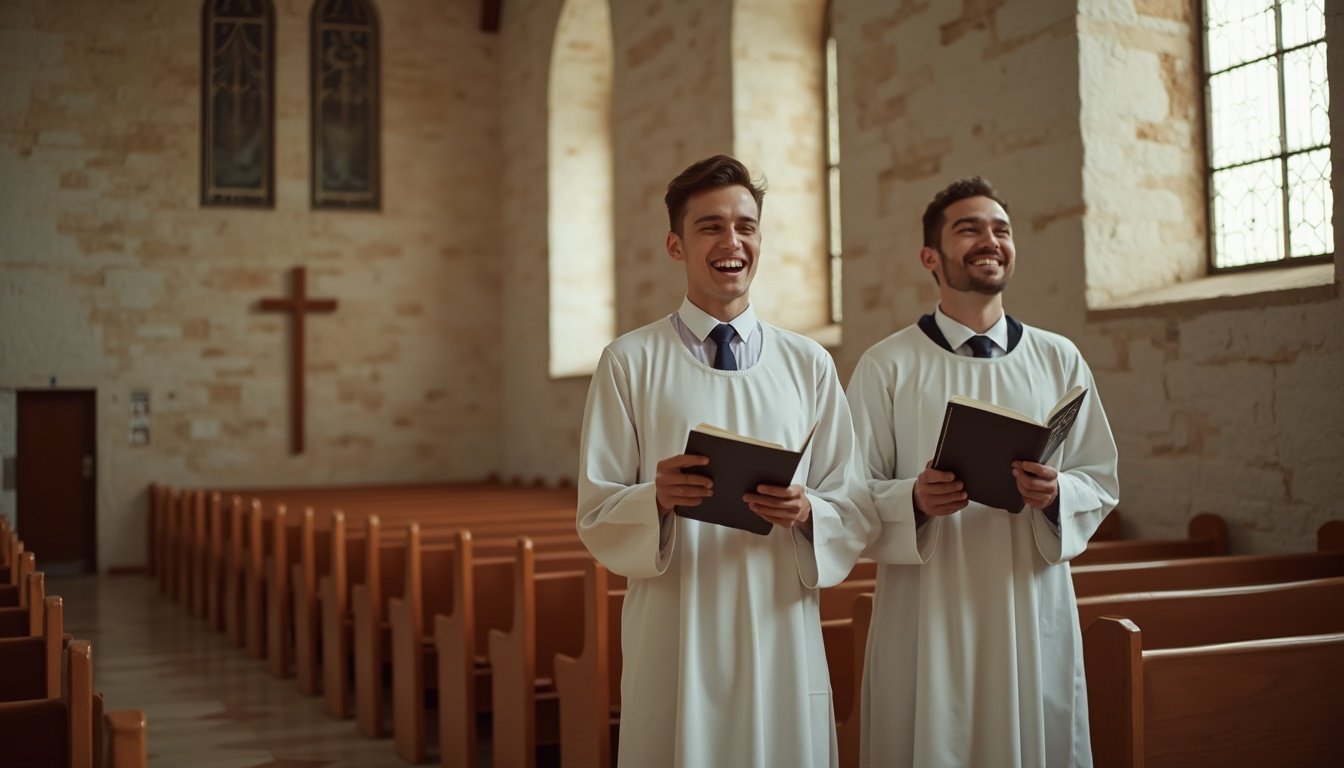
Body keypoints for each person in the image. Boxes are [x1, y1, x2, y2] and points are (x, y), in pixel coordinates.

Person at [576, 154, 875, 768]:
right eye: (709, 226)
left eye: (745, 225)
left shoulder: (808, 364)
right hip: (676, 623)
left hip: (777, 620)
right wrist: (653, 498)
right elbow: (598, 508)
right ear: (675, 245)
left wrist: (807, 508)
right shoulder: (629, 362)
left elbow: (853, 501)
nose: (731, 240)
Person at [845, 177, 1120, 767]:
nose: (989, 240)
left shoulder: (1058, 357)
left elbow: (1098, 478)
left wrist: (1055, 493)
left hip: (1029, 599)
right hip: (927, 608)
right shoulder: (886, 366)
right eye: (968, 229)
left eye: (1000, 229)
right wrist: (913, 499)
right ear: (930, 257)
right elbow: (847, 494)